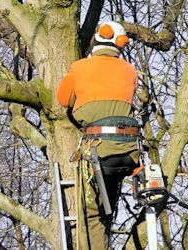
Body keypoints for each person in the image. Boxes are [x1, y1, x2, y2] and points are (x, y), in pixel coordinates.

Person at [56, 21, 140, 250]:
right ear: (120, 44)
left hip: (97, 151)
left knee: (90, 213)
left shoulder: (80, 67)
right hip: (128, 151)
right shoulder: (130, 70)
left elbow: (63, 99)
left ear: (96, 39)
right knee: (107, 205)